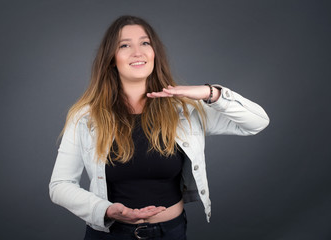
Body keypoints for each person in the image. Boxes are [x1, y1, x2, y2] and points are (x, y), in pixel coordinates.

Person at [49, 15, 269, 240]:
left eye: (145, 43)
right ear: (112, 59)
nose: (138, 52)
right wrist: (104, 210)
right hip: (109, 235)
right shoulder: (86, 116)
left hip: (171, 233)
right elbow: (60, 185)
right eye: (125, 45)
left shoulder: (184, 110)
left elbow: (257, 122)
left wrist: (210, 93)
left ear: (154, 53)